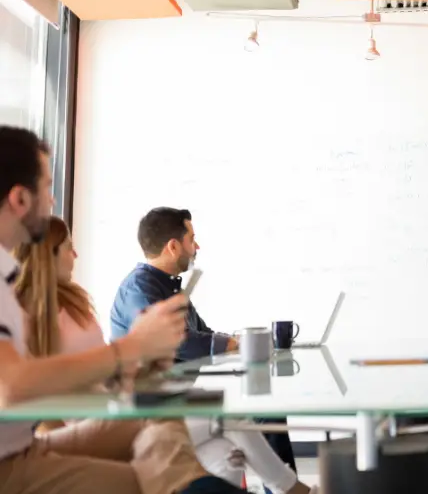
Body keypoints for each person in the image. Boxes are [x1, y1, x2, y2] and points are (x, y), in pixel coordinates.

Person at [0, 125, 245, 494]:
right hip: (9, 465)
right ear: (20, 198)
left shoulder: (9, 280)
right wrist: (130, 348)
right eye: (47, 188)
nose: (52, 200)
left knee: (159, 415)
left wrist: (131, 369)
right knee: (141, 480)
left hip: (26, 446)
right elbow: (11, 386)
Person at [18, 215, 315, 494]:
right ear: (46, 255)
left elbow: (111, 362)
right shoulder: (32, 314)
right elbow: (36, 396)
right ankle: (293, 490)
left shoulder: (74, 301)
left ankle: (290, 489)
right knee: (226, 414)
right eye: (68, 247)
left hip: (121, 402)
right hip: (106, 418)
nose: (76, 254)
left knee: (224, 451)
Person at [110, 207, 298, 489]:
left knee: (233, 449)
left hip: (176, 399)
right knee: (243, 415)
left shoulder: (171, 288)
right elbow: (178, 340)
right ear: (173, 246)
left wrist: (237, 341)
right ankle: (291, 489)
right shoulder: (139, 289)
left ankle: (287, 489)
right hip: (149, 410)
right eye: (191, 239)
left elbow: (203, 334)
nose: (197, 246)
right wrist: (232, 344)